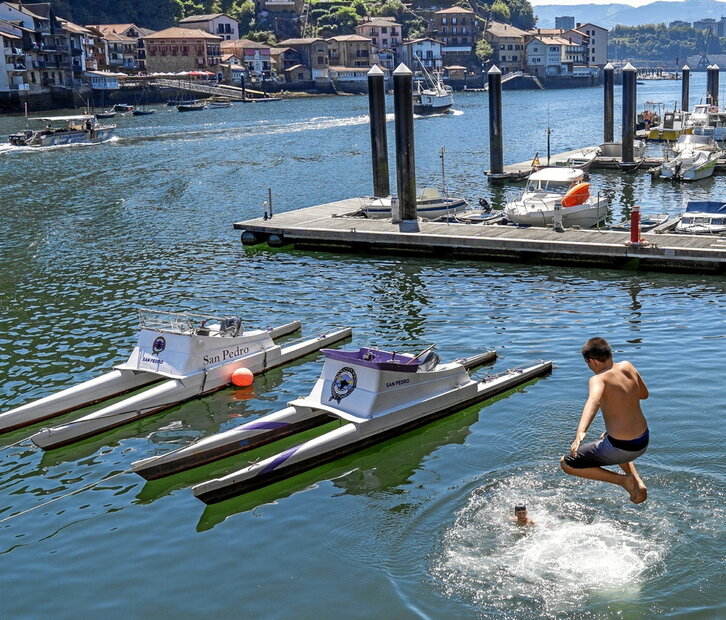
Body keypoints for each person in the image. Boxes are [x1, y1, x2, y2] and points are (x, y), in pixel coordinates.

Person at [561, 337, 649, 504]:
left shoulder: (598, 379)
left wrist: (581, 432)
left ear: (592, 361)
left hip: (623, 448)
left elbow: (593, 401)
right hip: (643, 440)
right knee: (605, 436)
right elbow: (644, 394)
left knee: (566, 464)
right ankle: (637, 482)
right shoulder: (627, 366)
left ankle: (624, 481)